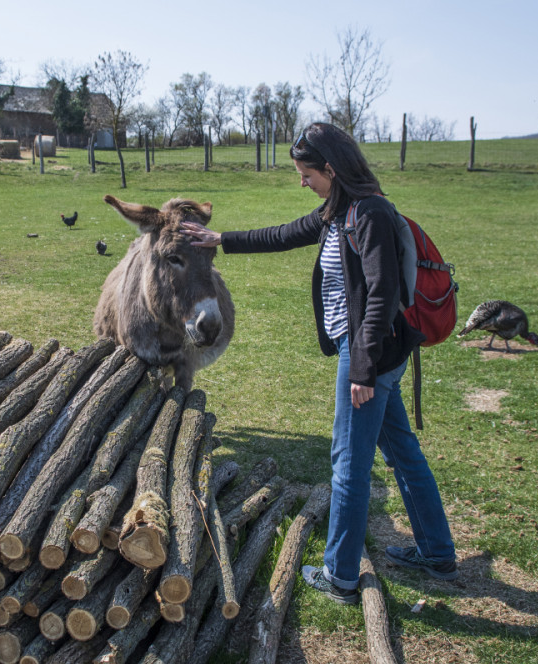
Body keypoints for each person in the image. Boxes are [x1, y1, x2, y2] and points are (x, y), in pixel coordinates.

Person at [181, 122, 457, 605]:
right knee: (402, 452)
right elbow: (285, 234)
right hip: (378, 353)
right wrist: (219, 239)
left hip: (368, 353)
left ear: (330, 168)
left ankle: (341, 575)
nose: (301, 182)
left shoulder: (367, 214)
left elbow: (380, 296)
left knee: (349, 461)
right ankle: (437, 552)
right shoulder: (339, 210)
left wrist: (363, 371)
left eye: (306, 174)